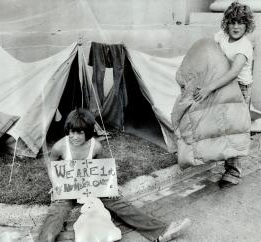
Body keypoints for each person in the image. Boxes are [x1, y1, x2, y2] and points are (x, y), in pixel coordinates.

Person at [37, 108, 191, 242]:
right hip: (70, 186)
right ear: (67, 131)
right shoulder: (60, 146)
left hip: (92, 185)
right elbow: (51, 164)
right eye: (72, 132)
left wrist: (110, 185)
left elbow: (102, 168)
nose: (75, 137)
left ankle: (160, 231)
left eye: (80, 133)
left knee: (119, 202)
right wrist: (56, 184)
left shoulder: (96, 146)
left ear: (88, 133)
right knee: (56, 211)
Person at [193, 2, 255, 188]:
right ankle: (216, 155)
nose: (236, 27)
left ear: (247, 25)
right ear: (226, 23)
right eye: (232, 22)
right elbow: (208, 52)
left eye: (241, 23)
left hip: (239, 88)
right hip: (220, 84)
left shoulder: (244, 46)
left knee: (234, 130)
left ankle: (233, 172)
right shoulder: (221, 37)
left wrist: (208, 88)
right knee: (217, 123)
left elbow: (232, 73)